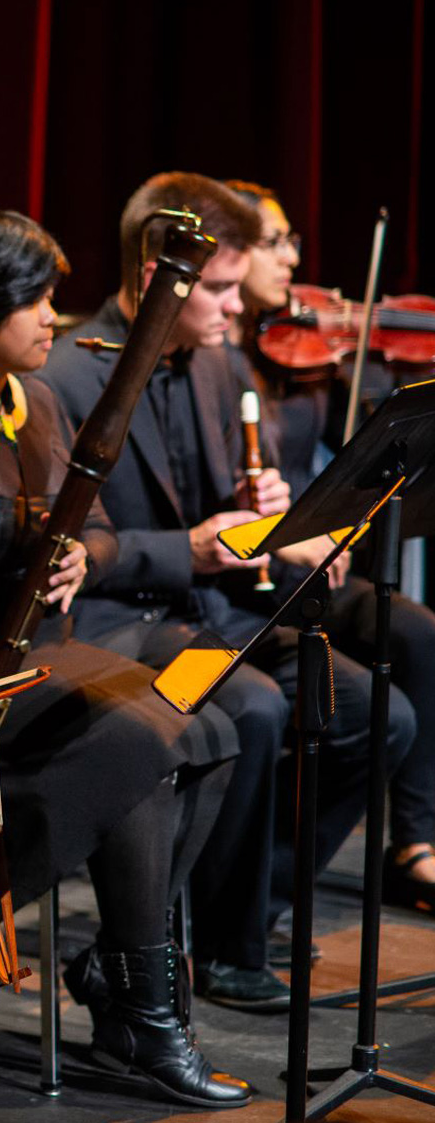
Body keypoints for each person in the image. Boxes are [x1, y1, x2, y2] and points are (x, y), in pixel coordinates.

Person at [0, 208, 248, 1109]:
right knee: (139, 746)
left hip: (27, 662)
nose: (52, 316)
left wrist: (82, 558)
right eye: (34, 299)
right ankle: (140, 1005)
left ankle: (122, 973)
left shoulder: (35, 402)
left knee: (211, 725)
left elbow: (93, 527)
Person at [38, 171, 416, 1012]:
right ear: (159, 278)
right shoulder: (68, 375)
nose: (238, 308)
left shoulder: (215, 362)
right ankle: (214, 949)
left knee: (378, 715)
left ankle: (242, 912)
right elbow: (75, 553)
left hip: (211, 614)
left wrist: (275, 515)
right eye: (218, 289)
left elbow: (234, 506)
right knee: (254, 707)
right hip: (116, 626)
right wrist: (192, 549)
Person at [228, 179, 435, 914]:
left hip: (309, 571)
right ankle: (260, 893)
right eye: (274, 243)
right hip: (248, 579)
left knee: (416, 631)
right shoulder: (214, 363)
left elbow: (356, 443)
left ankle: (415, 843)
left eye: (292, 242)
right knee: (356, 703)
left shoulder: (306, 361)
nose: (292, 258)